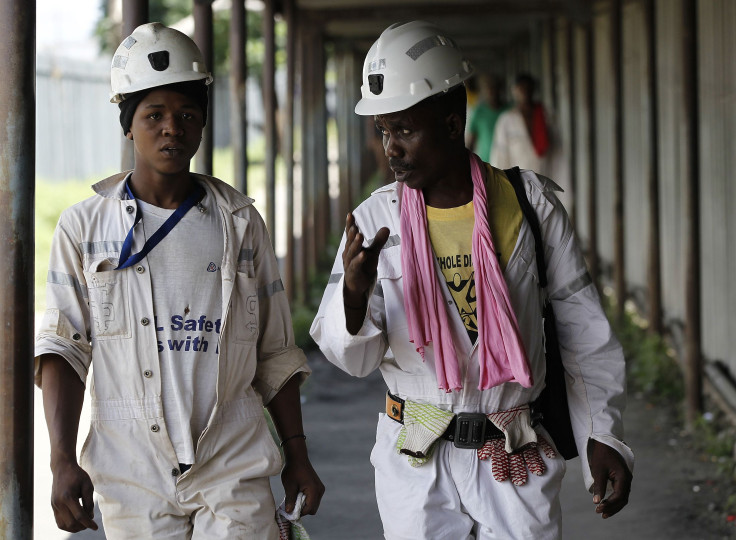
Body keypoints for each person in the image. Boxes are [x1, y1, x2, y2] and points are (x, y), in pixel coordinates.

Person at [310, 20, 633, 539]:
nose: (391, 148)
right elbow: (353, 358)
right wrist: (354, 292)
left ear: (451, 119)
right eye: (383, 131)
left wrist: (604, 434)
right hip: (415, 460)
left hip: (514, 452)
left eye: (406, 130)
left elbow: (582, 330)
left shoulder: (529, 206)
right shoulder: (375, 221)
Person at [35, 22, 323, 539]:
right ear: (128, 124)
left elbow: (275, 352)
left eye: (187, 114)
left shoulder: (238, 224)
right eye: (154, 115)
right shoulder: (85, 228)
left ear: (203, 124)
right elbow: (62, 349)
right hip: (131, 471)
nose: (173, 127)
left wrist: (296, 456)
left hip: (234, 461)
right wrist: (60, 461)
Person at [466, 73, 506, 162]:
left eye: (494, 87)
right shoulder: (479, 112)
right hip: (487, 164)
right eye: (488, 88)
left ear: (500, 89)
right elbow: (471, 142)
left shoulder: (509, 111)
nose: (492, 91)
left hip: (507, 162)